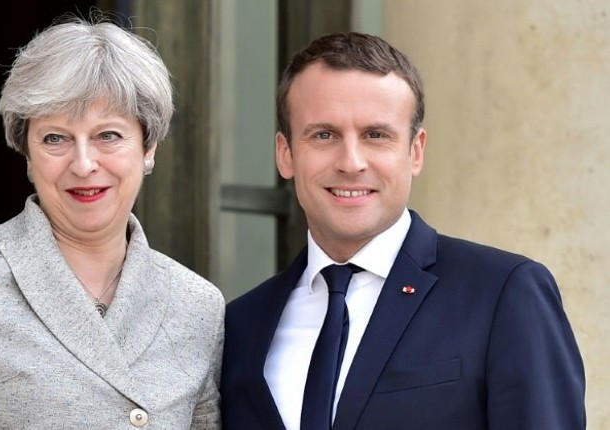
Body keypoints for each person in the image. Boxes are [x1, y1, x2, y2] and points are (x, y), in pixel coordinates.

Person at [0, 15, 224, 429]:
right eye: (56, 138)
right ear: (27, 154)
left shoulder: (197, 306)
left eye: (108, 135)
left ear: (149, 147)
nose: (84, 164)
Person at [220, 31, 585, 430]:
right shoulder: (241, 326)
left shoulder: (503, 293)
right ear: (285, 154)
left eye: (376, 135)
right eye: (324, 135)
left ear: (415, 151)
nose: (351, 162)